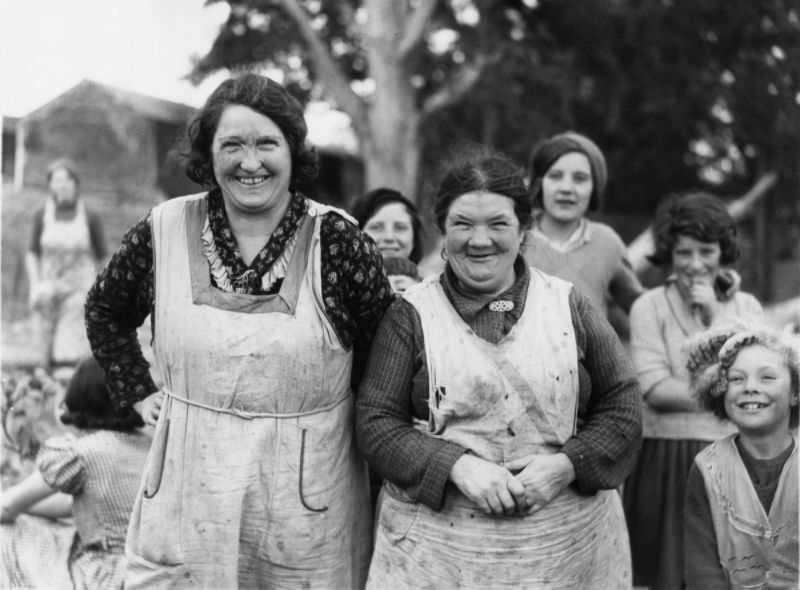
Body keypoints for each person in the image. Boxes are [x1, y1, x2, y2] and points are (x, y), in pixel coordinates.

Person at [85, 73, 393, 589]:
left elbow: (385, 353)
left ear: (294, 151)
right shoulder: (164, 229)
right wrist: (138, 392)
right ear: (209, 154)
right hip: (189, 480)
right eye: (232, 145)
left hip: (307, 491)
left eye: (267, 143)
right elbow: (105, 310)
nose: (250, 163)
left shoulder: (338, 239)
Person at [356, 150, 642, 588]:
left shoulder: (569, 305)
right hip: (438, 557)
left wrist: (566, 465)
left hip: (566, 551)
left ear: (524, 231)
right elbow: (376, 422)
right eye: (463, 224)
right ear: (441, 231)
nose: (480, 240)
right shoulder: (410, 315)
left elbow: (622, 406)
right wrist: (456, 466)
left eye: (498, 224)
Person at [623, 191, 764, 590]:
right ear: (669, 253)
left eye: (707, 251)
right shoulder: (648, 306)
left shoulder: (747, 308)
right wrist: (727, 394)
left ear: (723, 251)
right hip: (667, 459)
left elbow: (753, 381)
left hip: (733, 459)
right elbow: (655, 388)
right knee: (667, 576)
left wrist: (714, 317)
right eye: (685, 252)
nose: (696, 264)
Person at [0, 356, 151, 589]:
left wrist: (14, 502)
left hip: (105, 576)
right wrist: (23, 506)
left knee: (5, 533)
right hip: (148, 574)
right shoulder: (150, 447)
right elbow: (71, 506)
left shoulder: (83, 453)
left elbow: (6, 507)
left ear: (81, 396)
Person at [682, 325, 798, 589]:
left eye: (767, 377)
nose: (750, 388)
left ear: (795, 392)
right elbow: (701, 569)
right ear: (719, 391)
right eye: (736, 379)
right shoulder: (707, 468)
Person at [522, 132, 643, 336]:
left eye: (580, 179)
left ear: (594, 187)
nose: (566, 188)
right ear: (539, 183)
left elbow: (640, 307)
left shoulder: (607, 242)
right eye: (555, 176)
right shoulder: (514, 237)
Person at [25, 159, 107, 368]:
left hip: (79, 288)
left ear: (75, 184)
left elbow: (103, 258)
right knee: (42, 352)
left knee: (68, 349)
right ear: (50, 185)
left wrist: (100, 291)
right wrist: (35, 284)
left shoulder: (91, 216)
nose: (61, 185)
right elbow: (32, 253)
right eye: (56, 181)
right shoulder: (41, 214)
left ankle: (68, 379)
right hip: (48, 288)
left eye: (66, 180)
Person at [352, 186, 424, 264]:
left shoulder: (433, 276)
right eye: (376, 227)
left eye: (400, 228)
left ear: (414, 237)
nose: (389, 237)